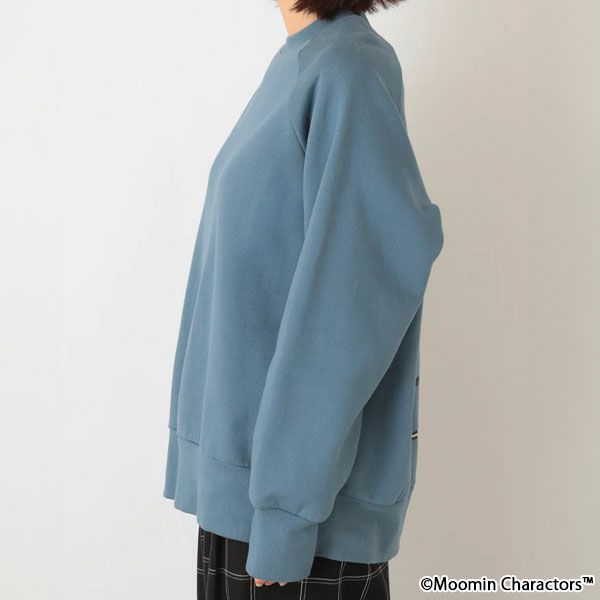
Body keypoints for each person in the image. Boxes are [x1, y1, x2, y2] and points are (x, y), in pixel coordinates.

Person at [164, 1, 444, 597]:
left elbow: (352, 302)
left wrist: (285, 513)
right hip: (253, 503)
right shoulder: (303, 60)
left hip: (299, 525)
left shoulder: (349, 69)